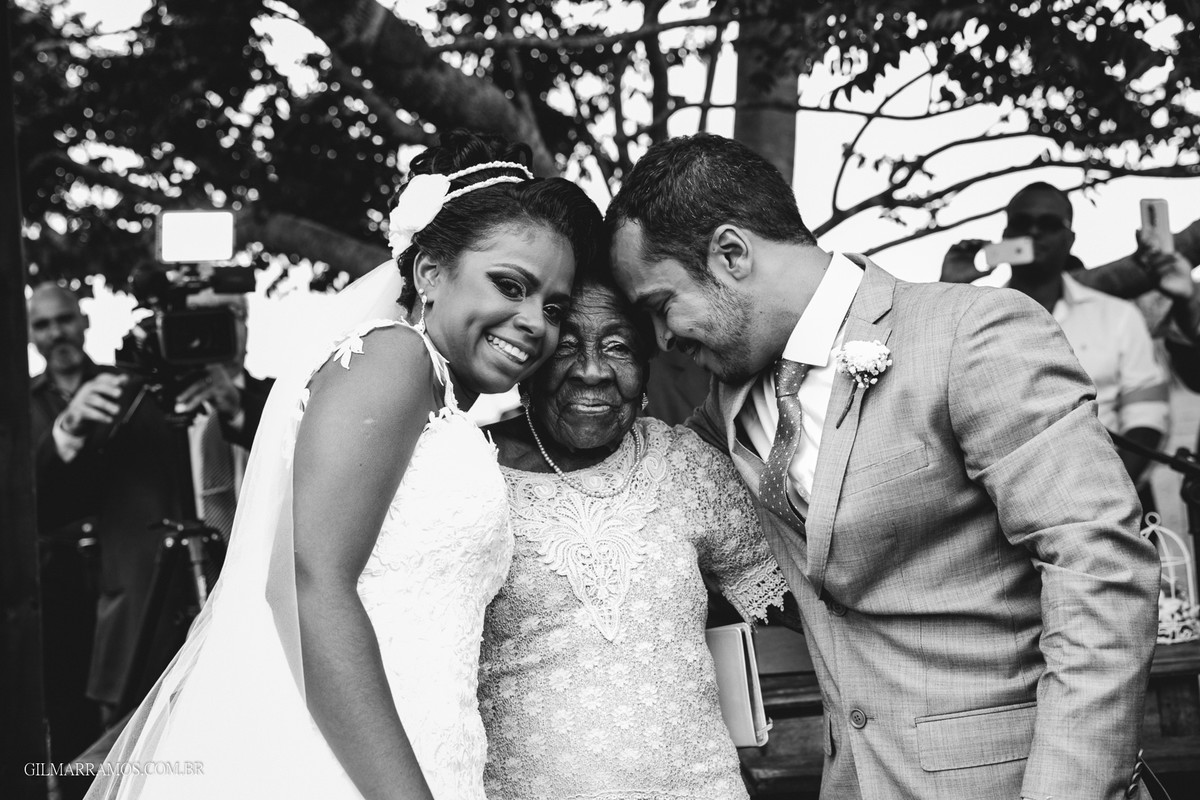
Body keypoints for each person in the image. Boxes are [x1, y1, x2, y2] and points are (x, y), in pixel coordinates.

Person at [606, 133, 1160, 800]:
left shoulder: (971, 333)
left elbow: (1099, 566)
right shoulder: (724, 407)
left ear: (731, 254)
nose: (664, 339)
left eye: (662, 305)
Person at [84, 131, 602, 800]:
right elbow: (307, 583)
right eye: (511, 285)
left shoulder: (439, 405)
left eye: (553, 306)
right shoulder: (394, 359)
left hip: (423, 745)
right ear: (429, 274)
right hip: (342, 766)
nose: (535, 321)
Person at [479, 274, 787, 799]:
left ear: (647, 368)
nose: (594, 371)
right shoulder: (467, 472)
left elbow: (783, 598)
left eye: (618, 346)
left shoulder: (682, 462)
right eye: (567, 346)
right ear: (528, 360)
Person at [941, 183, 1170, 500]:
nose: (1034, 231)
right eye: (1022, 223)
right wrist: (950, 290)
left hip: (1111, 498)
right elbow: (936, 399)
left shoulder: (1117, 316)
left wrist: (1106, 496)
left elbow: (1146, 417)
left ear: (1070, 239)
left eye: (1049, 224)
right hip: (999, 506)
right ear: (1006, 233)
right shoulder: (971, 318)